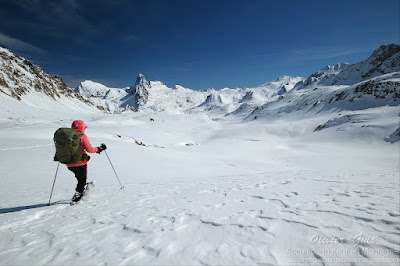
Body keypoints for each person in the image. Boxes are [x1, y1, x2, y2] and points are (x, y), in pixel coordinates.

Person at [66, 120, 107, 202]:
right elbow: (90, 150)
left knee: (79, 178)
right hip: (80, 163)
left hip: (69, 164)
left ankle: (82, 189)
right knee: (82, 179)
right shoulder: (83, 137)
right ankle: (78, 196)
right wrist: (99, 149)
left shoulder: (67, 136)